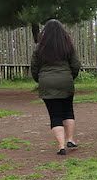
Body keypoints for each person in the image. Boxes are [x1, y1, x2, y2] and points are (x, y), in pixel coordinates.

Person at [30, 19, 81, 156]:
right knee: (68, 111)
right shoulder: (67, 46)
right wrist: (70, 77)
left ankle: (61, 146)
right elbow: (75, 65)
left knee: (55, 115)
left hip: (47, 83)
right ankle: (70, 139)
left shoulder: (39, 48)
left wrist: (40, 80)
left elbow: (34, 68)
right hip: (66, 81)